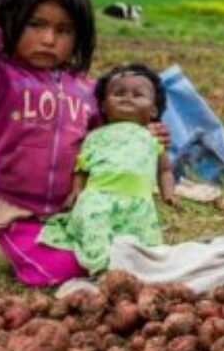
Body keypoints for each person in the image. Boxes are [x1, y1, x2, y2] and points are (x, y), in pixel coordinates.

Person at [0, 0, 99, 286]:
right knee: (63, 270)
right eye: (35, 24)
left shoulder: (85, 88)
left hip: (75, 210)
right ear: (13, 20)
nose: (49, 39)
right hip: (20, 215)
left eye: (63, 30)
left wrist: (146, 132)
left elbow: (106, 137)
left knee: (119, 254)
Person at [39, 64, 178, 273]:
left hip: (138, 203)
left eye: (138, 94)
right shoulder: (95, 136)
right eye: (118, 93)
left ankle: (135, 272)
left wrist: (169, 193)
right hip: (97, 197)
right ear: (103, 106)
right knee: (95, 230)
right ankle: (101, 270)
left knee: (144, 245)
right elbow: (82, 166)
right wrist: (77, 190)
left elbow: (165, 170)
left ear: (154, 109)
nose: (127, 97)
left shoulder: (152, 137)